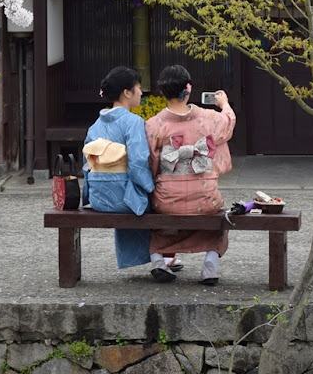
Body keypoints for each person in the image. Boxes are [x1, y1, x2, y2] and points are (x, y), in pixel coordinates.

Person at [145, 64, 236, 284]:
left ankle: (158, 261)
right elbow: (229, 124)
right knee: (217, 213)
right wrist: (224, 104)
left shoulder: (153, 125)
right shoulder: (210, 118)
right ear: (188, 88)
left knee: (153, 206)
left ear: (162, 92)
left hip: (168, 200)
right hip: (205, 198)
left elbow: (151, 163)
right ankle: (210, 266)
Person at [82, 66, 155, 269]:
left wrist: (89, 194)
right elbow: (138, 163)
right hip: (124, 199)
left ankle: (159, 258)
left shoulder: (95, 125)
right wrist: (152, 189)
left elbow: (86, 166)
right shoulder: (133, 122)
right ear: (127, 92)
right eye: (138, 88)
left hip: (98, 198)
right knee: (157, 199)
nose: (141, 92)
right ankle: (161, 258)